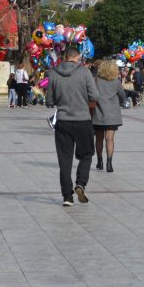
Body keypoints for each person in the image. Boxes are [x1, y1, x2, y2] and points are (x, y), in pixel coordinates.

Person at [46, 46, 99, 206]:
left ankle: (67, 196)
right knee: (87, 153)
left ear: (64, 57)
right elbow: (94, 95)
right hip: (82, 119)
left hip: (62, 120)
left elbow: (49, 101)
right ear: (77, 57)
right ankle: (81, 183)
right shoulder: (84, 72)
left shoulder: (54, 73)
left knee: (64, 159)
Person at [92, 59, 126, 173]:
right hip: (112, 115)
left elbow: (91, 95)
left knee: (99, 139)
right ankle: (109, 163)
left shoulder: (95, 81)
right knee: (110, 139)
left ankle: (99, 161)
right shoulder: (116, 82)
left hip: (98, 113)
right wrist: (121, 102)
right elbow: (122, 96)